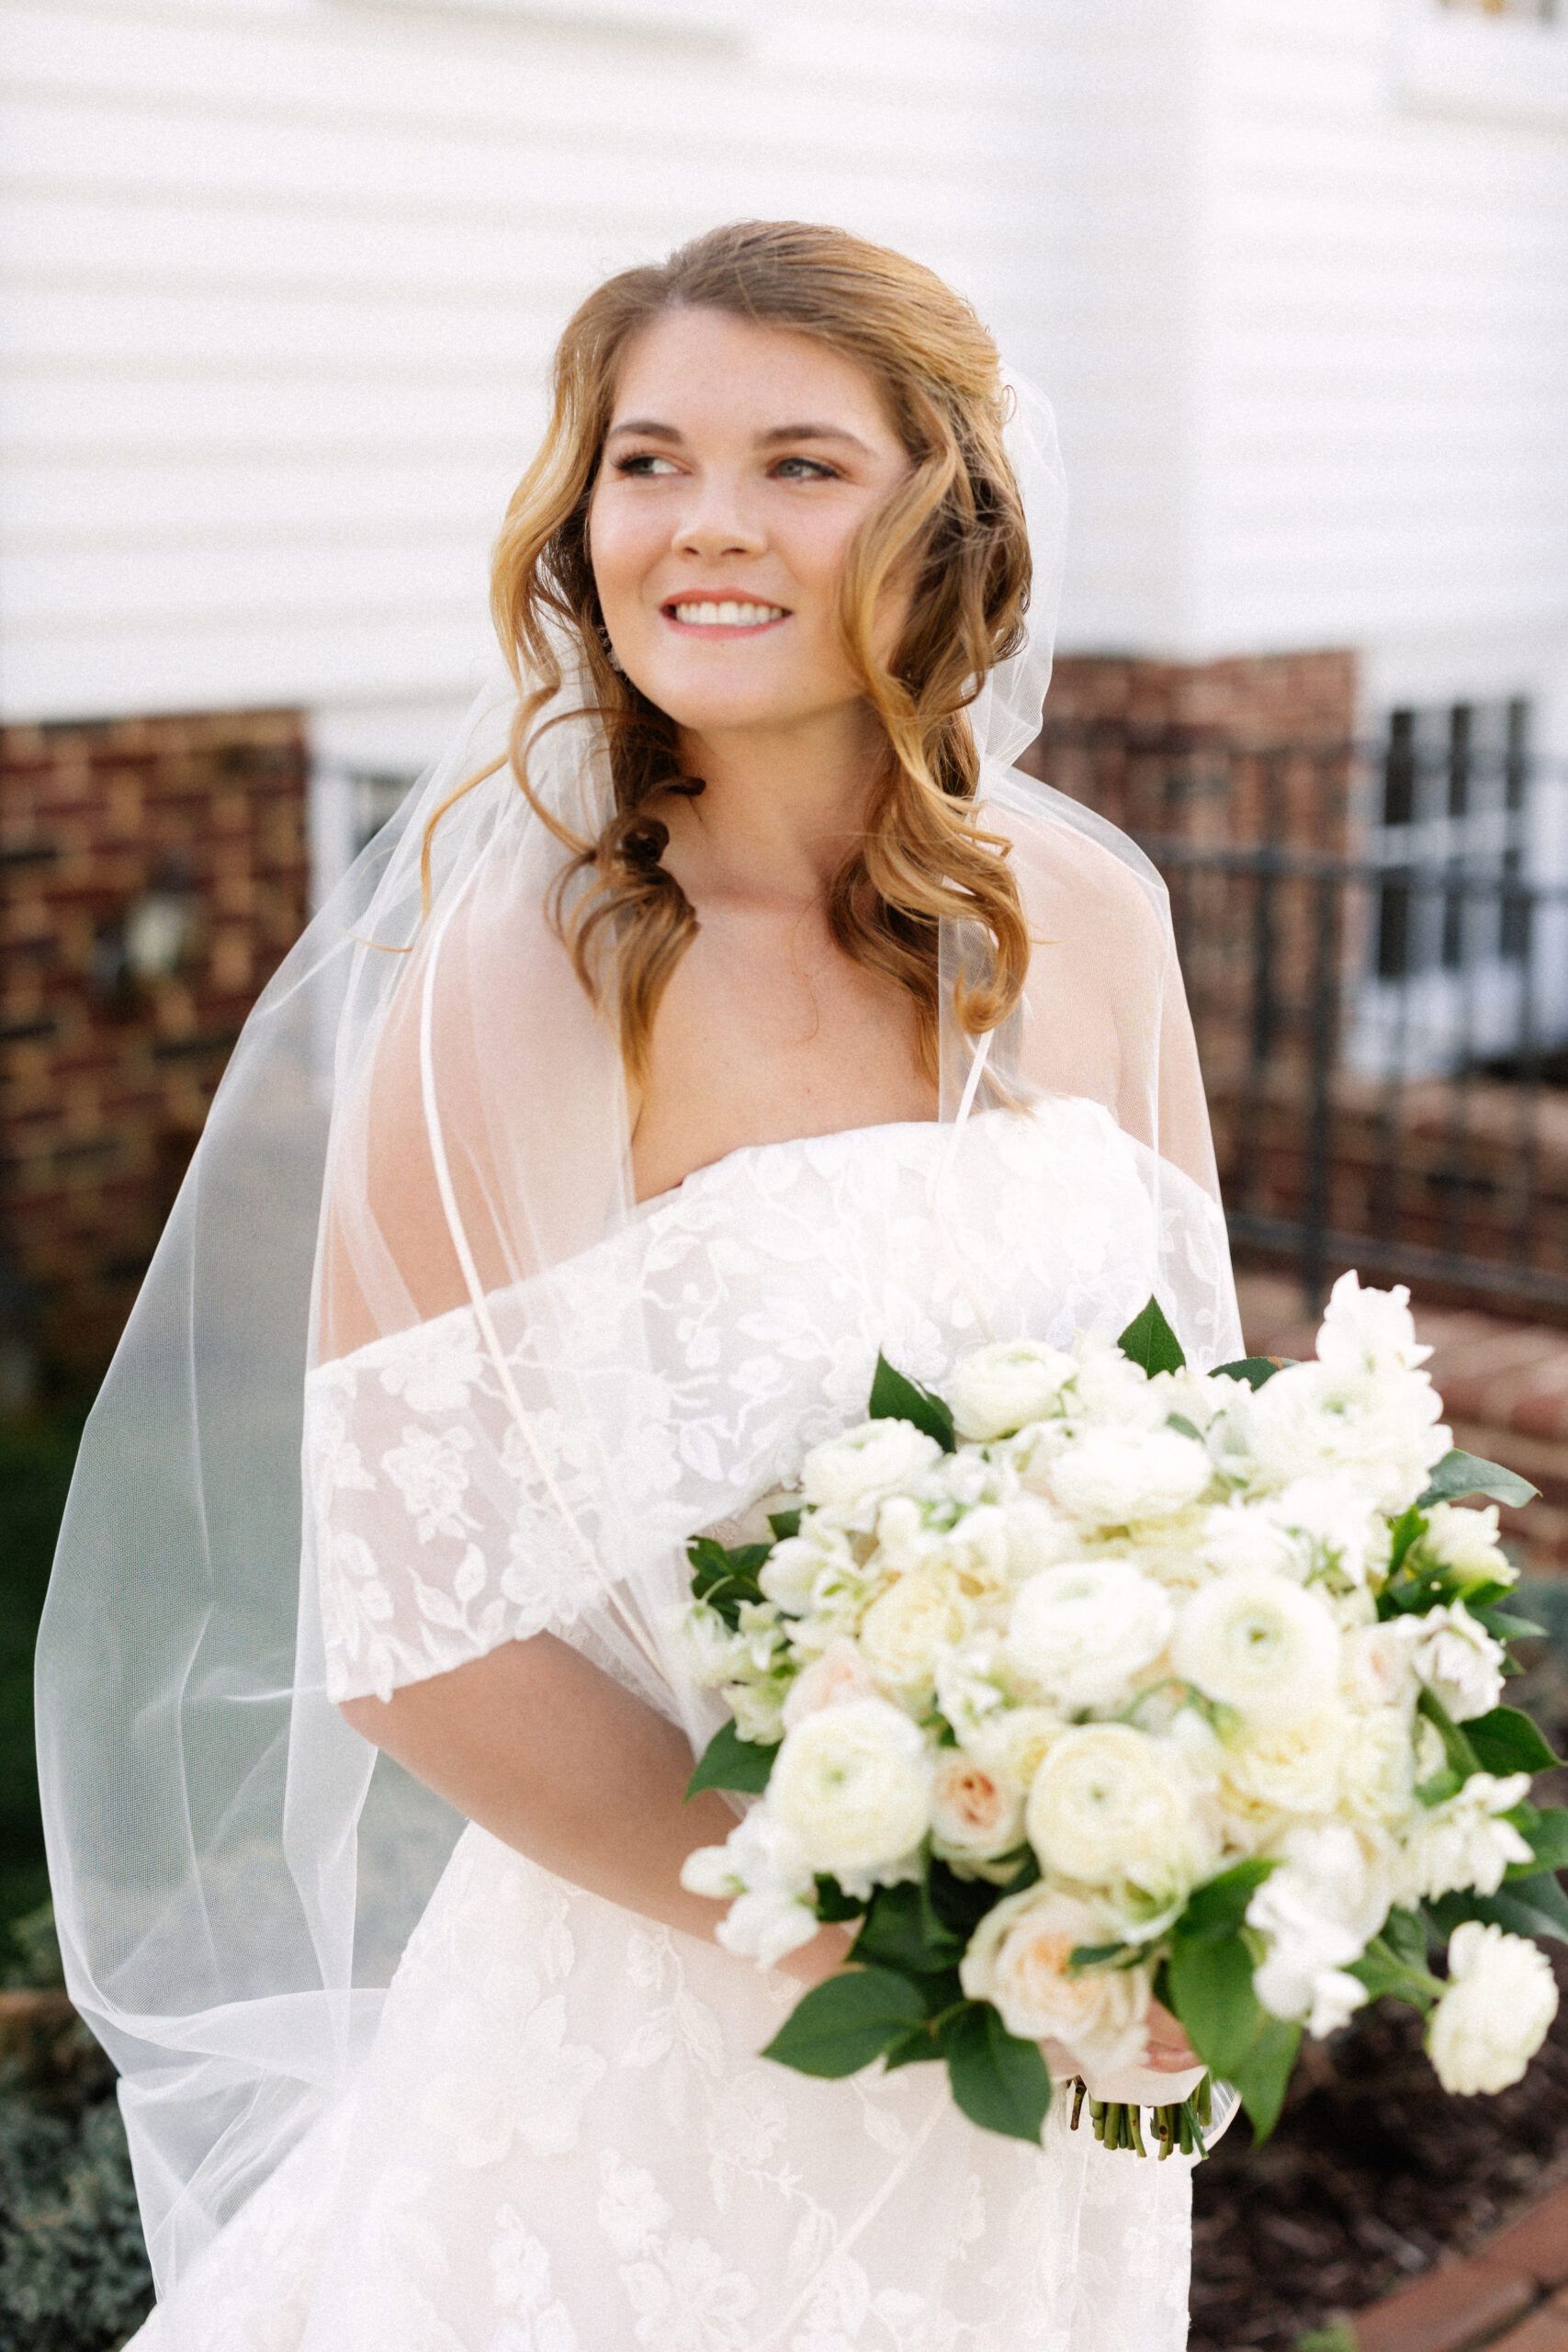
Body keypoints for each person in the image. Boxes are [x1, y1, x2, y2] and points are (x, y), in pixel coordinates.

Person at [37, 218, 1245, 2350]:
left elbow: (1213, 1466)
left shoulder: (1081, 915)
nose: (702, 525)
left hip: (1059, 2017)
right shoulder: (515, 980)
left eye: (798, 462)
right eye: (645, 459)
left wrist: (1196, 1872)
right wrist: (896, 1934)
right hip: (678, 2050)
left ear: (941, 515)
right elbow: (419, 1636)